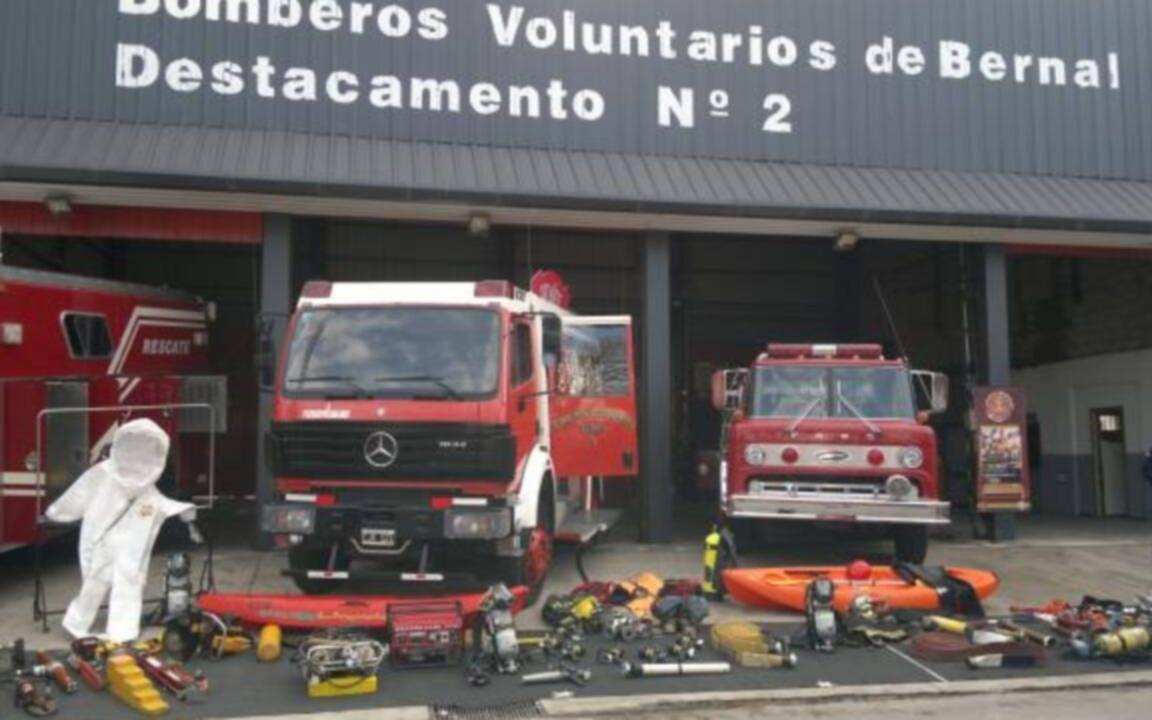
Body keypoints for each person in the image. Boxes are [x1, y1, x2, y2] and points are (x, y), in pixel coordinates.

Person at [45, 419, 199, 642]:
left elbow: (163, 505)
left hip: (125, 547)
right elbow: (79, 494)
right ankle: (79, 622)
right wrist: (58, 512)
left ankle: (120, 630)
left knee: (126, 583)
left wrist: (186, 510)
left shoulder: (146, 490)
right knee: (96, 582)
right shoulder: (103, 475)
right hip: (102, 542)